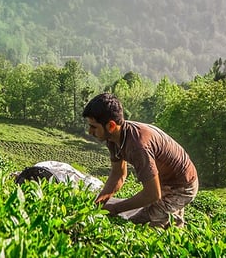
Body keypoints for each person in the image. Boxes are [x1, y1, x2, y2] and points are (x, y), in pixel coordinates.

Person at [82, 92, 198, 228]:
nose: (90, 131)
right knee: (157, 219)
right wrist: (99, 203)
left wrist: (115, 209)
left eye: (94, 127)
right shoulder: (113, 139)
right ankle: (174, 221)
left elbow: (152, 194)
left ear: (111, 126)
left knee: (147, 224)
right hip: (163, 180)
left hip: (182, 186)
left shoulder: (138, 146)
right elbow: (118, 175)